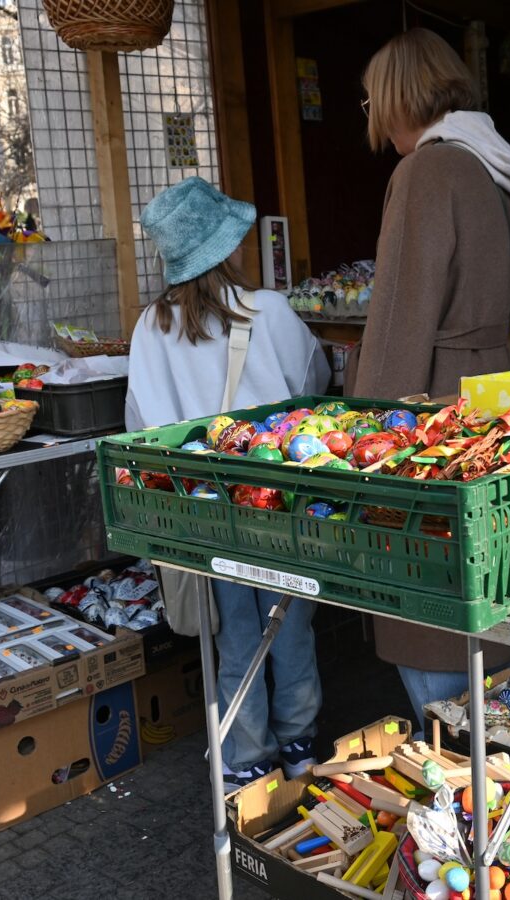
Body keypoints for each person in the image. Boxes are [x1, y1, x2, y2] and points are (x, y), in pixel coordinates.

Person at [345, 28, 510, 725]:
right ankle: (500, 741)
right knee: (493, 576)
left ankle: (462, 769)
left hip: (436, 404)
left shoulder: (426, 172)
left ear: (394, 98)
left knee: (430, 597)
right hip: (498, 392)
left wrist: (362, 439)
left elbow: (399, 316)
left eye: (371, 98)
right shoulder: (495, 164)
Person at [126, 176, 330, 792]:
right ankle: (301, 751)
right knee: (291, 624)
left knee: (235, 634)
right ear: (227, 246)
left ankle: (247, 765)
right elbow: (313, 384)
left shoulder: (148, 328)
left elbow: (141, 424)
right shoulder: (268, 311)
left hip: (203, 511)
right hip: (279, 501)